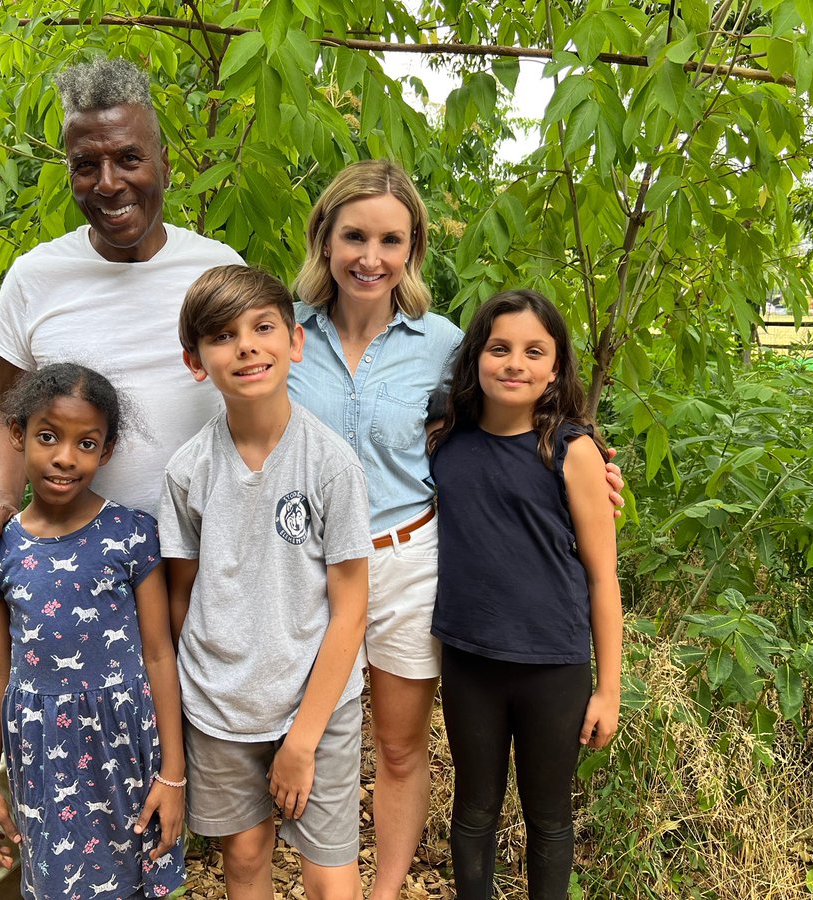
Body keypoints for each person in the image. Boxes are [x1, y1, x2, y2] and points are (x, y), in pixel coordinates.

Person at [288, 161, 623, 899]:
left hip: (406, 561)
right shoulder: (284, 334)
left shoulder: (442, 343)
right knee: (319, 744)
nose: (370, 257)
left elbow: (513, 422)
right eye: (354, 236)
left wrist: (590, 467)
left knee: (399, 748)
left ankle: (386, 892)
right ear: (324, 238)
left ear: (413, 248)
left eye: (391, 240)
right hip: (308, 568)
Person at [0, 56, 241, 900]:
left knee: (194, 813)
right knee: (39, 831)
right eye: (87, 164)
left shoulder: (213, 272)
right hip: (59, 596)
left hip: (189, 590)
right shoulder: (36, 278)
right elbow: (4, 417)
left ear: (164, 163)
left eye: (128, 158)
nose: (109, 182)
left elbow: (264, 400)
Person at [159, 265, 371, 900]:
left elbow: (350, 610)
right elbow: (181, 595)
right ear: (195, 361)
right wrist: (205, 679)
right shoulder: (188, 471)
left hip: (317, 701)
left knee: (329, 874)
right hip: (220, 705)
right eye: (223, 336)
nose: (247, 347)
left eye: (263, 328)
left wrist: (302, 740)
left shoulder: (331, 465)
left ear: (295, 342)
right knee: (246, 859)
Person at [428, 290, 623, 900]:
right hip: (470, 661)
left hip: (553, 667)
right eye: (500, 348)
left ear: (556, 368)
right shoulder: (445, 442)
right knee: (473, 809)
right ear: (475, 358)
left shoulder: (572, 451)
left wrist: (609, 688)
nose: (515, 363)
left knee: (549, 815)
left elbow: (603, 576)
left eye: (534, 351)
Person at [0, 363, 187, 900]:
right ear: (18, 434)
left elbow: (159, 655)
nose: (65, 457)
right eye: (48, 437)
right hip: (43, 753)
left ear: (106, 451)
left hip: (126, 746)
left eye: (86, 443)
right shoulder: (0, 550)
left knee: (137, 875)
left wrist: (173, 774)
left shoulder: (132, 536)